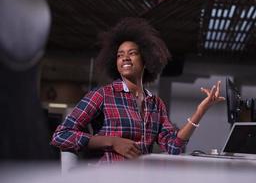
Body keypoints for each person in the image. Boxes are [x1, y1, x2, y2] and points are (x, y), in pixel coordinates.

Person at [51, 17, 225, 162]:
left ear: (146, 60)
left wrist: (200, 111)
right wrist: (112, 142)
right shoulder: (102, 95)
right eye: (120, 55)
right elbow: (61, 135)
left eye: (132, 53)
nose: (125, 57)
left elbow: (173, 147)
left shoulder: (156, 104)